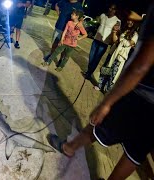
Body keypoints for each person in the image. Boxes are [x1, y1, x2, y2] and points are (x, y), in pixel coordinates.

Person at [47, 5, 154, 180]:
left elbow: (141, 65)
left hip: (140, 96)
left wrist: (107, 103)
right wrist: (141, 20)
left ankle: (69, 148)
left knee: (100, 125)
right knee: (136, 151)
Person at [95, 18, 139, 92]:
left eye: (132, 21)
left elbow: (129, 43)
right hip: (113, 52)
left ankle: (107, 89)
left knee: (113, 74)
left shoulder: (135, 34)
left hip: (120, 56)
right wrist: (114, 32)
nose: (129, 22)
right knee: (106, 68)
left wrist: (121, 39)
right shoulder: (123, 30)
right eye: (129, 20)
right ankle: (100, 85)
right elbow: (115, 40)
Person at [83, 4, 120, 80]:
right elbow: (98, 23)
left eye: (113, 9)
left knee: (96, 59)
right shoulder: (102, 15)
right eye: (110, 7)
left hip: (104, 43)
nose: (110, 9)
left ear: (115, 10)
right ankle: (89, 71)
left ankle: (89, 73)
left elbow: (116, 32)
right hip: (96, 39)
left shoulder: (117, 21)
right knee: (91, 56)